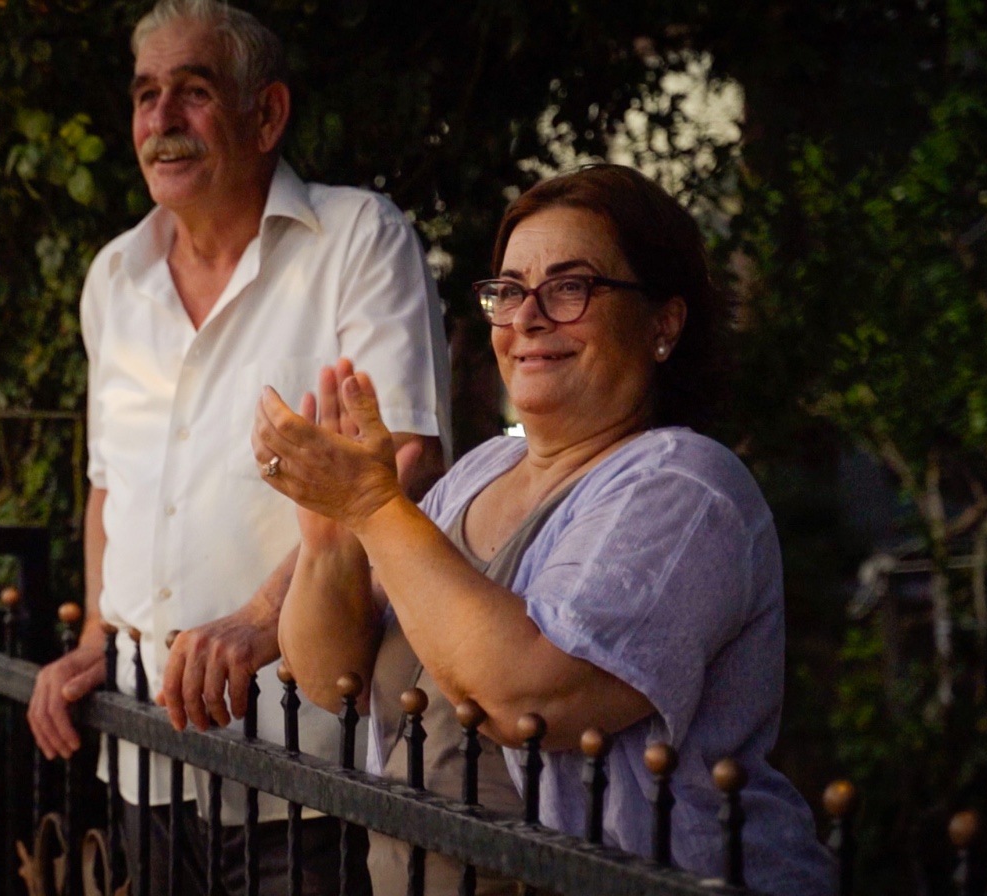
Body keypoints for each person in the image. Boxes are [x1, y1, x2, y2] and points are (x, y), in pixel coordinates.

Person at [251, 165, 837, 895]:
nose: (527, 318)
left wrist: (374, 508)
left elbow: (529, 700)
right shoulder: (482, 471)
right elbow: (330, 678)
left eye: (570, 288)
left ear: (663, 323)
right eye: (509, 290)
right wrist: (332, 538)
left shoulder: (687, 487)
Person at [25, 1, 450, 893]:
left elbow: (406, 464)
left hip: (306, 755)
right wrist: (99, 635)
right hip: (144, 744)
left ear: (267, 114)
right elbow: (110, 488)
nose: (162, 119)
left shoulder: (357, 240)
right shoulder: (113, 278)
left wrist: (263, 618)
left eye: (194, 91)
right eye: (146, 95)